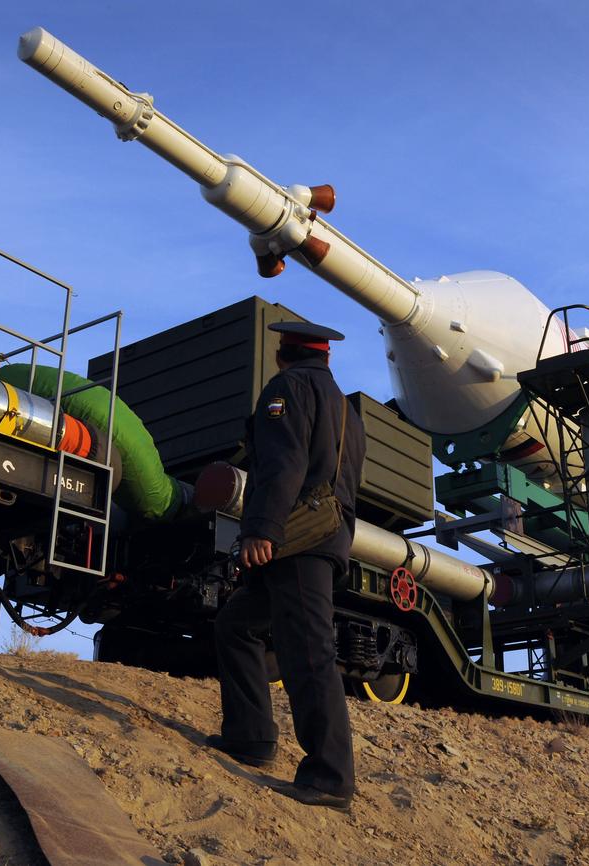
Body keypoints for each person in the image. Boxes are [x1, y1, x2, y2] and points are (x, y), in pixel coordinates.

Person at [208, 321, 366, 812]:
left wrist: (262, 529)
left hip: (298, 541)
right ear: (327, 357)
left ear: (283, 353)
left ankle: (329, 777)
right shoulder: (347, 409)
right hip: (328, 536)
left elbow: (284, 462)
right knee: (236, 624)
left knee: (309, 651)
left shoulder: (288, 388)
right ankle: (250, 736)